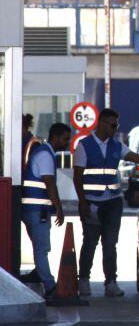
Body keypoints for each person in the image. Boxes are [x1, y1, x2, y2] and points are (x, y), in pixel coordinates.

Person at [73, 108, 139, 298]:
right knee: (90, 242)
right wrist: (83, 203)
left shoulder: (116, 145)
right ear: (102, 123)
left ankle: (111, 282)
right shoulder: (84, 146)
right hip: (92, 203)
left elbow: (136, 157)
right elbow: (77, 177)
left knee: (110, 243)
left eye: (116, 125)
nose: (115, 128)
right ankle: (84, 281)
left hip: (112, 202)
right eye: (113, 125)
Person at [20, 123, 71, 297]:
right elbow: (49, 183)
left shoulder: (43, 152)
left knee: (39, 246)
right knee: (42, 248)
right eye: (65, 138)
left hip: (33, 209)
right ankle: (49, 285)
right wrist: (59, 208)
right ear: (55, 137)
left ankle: (38, 274)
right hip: (37, 209)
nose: (67, 142)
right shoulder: (45, 155)